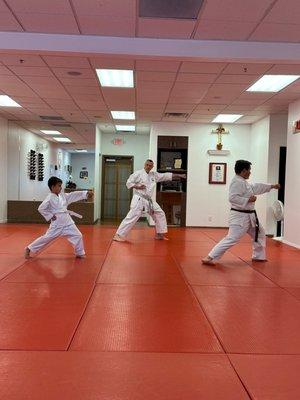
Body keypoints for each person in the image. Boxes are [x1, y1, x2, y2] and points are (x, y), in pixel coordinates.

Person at [202, 159, 280, 265]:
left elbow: (255, 187)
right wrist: (248, 200)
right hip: (240, 217)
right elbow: (232, 198)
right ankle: (210, 257)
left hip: (249, 216)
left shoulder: (243, 182)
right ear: (244, 171)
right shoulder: (237, 182)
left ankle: (258, 256)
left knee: (260, 233)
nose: (250, 172)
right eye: (249, 170)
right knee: (232, 238)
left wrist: (271, 186)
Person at [113, 159, 186, 242]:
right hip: (139, 199)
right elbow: (128, 183)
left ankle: (159, 234)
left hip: (148, 200)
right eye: (147, 165)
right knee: (132, 216)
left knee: (159, 213)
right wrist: (138, 186)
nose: (148, 166)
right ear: (144, 165)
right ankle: (118, 235)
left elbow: (166, 175)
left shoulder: (153, 175)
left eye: (150, 165)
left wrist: (180, 175)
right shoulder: (138, 173)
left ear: (152, 166)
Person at [25, 176, 93, 259]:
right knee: (46, 238)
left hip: (68, 222)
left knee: (78, 235)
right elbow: (41, 208)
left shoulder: (62, 196)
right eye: (59, 186)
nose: (61, 188)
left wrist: (85, 193)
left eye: (61, 185)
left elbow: (73, 195)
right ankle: (29, 249)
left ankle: (79, 253)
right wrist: (50, 216)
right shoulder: (49, 198)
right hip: (57, 224)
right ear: (53, 187)